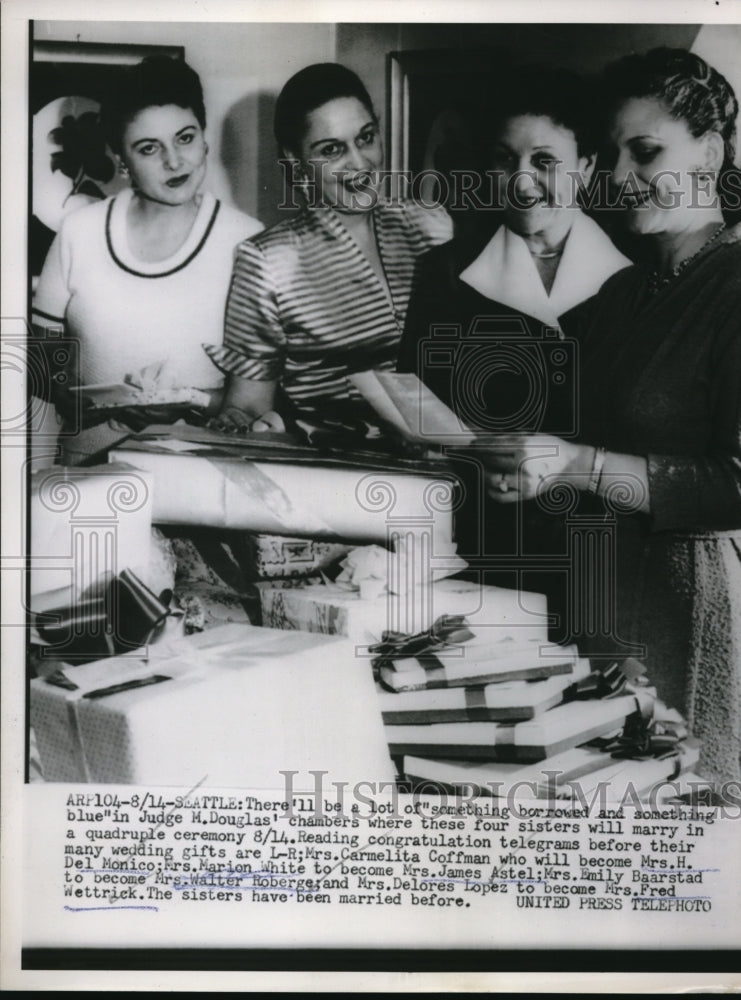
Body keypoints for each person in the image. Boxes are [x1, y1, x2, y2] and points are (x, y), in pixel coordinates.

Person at [483, 48, 741, 787]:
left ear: (710, 153)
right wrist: (530, 468)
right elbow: (579, 439)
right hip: (602, 597)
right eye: (614, 153)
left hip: (691, 606)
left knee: (684, 812)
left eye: (646, 151)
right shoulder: (625, 292)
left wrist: (576, 465)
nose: (622, 175)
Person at [396, 66, 631, 598]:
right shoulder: (445, 272)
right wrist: (469, 454)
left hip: (611, 551)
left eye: (544, 161)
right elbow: (419, 416)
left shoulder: (634, 274)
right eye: (505, 159)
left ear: (587, 167)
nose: (521, 181)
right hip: (483, 547)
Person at [32, 55, 262, 463]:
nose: (173, 161)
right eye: (149, 148)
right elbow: (42, 370)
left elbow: (257, 402)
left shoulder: (247, 241)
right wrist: (74, 395)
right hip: (88, 472)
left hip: (205, 476)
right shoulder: (78, 232)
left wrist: (190, 401)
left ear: (204, 139)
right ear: (122, 160)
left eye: (185, 138)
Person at [206, 62, 452, 440]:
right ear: (295, 160)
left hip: (451, 454)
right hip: (339, 459)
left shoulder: (432, 225)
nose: (359, 162)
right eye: (332, 149)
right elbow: (249, 407)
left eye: (366, 137)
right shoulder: (268, 262)